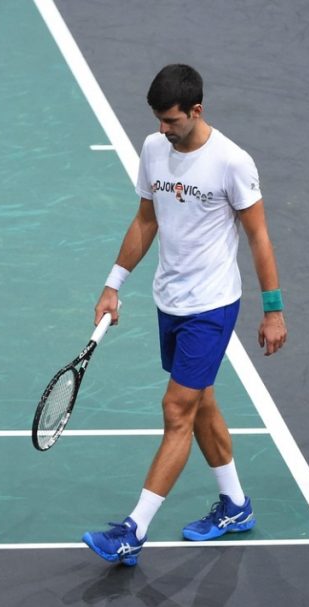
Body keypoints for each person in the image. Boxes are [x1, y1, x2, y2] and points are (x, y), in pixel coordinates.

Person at [81, 64, 287, 566]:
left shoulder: (232, 162)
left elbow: (259, 236)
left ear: (197, 111)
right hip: (168, 300)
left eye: (171, 120)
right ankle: (236, 505)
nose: (162, 130)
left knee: (177, 410)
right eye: (157, 119)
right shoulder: (155, 150)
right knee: (201, 403)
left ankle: (133, 530)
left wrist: (273, 310)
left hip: (212, 306)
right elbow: (146, 219)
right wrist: (113, 285)